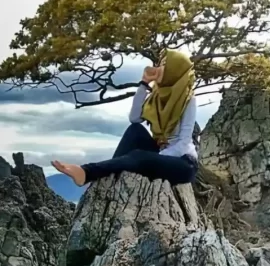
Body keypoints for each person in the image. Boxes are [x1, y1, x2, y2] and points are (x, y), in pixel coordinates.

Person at [51, 49, 199, 187]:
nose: (159, 67)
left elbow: (183, 143)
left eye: (165, 65)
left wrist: (154, 157)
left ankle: (88, 172)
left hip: (183, 164)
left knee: (139, 156)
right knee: (134, 130)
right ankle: (107, 180)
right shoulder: (157, 95)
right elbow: (134, 118)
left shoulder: (188, 100)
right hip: (161, 154)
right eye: (160, 63)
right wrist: (144, 84)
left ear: (174, 71)